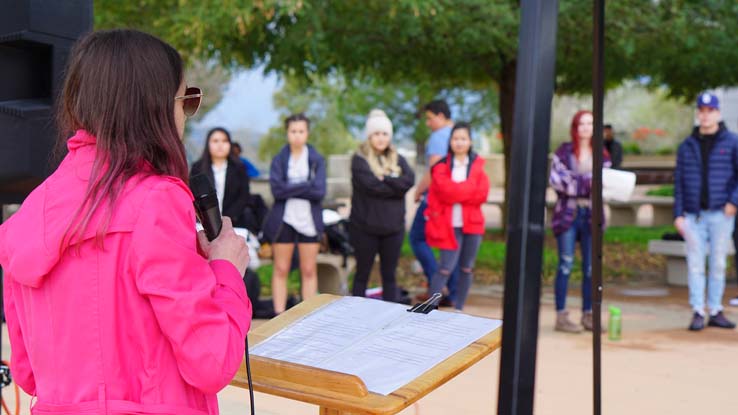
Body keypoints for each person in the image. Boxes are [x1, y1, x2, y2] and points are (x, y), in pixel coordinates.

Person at [0, 29, 251, 414]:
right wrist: (226, 270)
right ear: (153, 106)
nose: (186, 114)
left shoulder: (29, 213)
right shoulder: (158, 201)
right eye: (187, 100)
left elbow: (28, 373)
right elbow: (211, 360)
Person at [673, 92, 738, 331]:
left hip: (721, 214)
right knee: (696, 264)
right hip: (693, 215)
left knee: (718, 263)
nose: (705, 115)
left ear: (718, 113)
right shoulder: (687, 145)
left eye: (710, 111)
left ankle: (716, 309)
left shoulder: (732, 141)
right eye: (701, 111)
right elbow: (678, 181)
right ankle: (698, 310)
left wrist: (734, 201)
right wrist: (677, 213)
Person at [549, 110, 611, 333]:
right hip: (567, 215)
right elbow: (557, 180)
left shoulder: (602, 154)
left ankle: (589, 314)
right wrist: (587, 183)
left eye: (590, 123)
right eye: (582, 123)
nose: (586, 127)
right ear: (575, 127)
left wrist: (577, 183)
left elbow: (605, 181)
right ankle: (561, 316)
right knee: (565, 265)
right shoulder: (563, 152)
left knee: (590, 268)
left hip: (592, 216)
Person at [262, 113, 326, 314]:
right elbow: (277, 191)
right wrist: (306, 185)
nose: (297, 135)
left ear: (307, 133)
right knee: (281, 269)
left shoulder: (316, 159)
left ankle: (308, 315)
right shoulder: (280, 159)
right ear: (287, 133)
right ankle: (278, 314)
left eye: (301, 131)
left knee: (308, 270)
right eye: (293, 131)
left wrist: (292, 187)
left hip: (309, 220)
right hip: (284, 221)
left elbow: (319, 192)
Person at [349, 109, 415, 301]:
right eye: (376, 133)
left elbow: (409, 181)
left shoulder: (398, 158)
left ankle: (390, 321)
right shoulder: (359, 159)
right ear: (369, 135)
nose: (381, 138)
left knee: (390, 275)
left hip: (393, 228)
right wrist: (395, 184)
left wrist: (384, 178)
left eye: (385, 133)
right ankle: (354, 315)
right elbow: (371, 186)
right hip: (365, 228)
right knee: (363, 273)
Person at [424, 122, 489, 311]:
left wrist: (457, 192)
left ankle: (459, 308)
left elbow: (482, 194)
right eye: (455, 138)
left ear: (470, 141)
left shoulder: (477, 165)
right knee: (444, 268)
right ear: (450, 141)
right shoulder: (441, 166)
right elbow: (445, 192)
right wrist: (466, 190)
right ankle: (430, 307)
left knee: (467, 268)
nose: (459, 143)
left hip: (472, 224)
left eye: (463, 138)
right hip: (448, 224)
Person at [410, 100, 459, 306]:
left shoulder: (439, 137)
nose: (428, 123)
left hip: (435, 200)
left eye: (430, 119)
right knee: (451, 244)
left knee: (416, 238)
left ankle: (437, 286)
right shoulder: (460, 135)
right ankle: (452, 293)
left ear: (440, 116)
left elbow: (434, 171)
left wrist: (418, 190)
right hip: (456, 200)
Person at [190, 127, 252, 229]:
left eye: (224, 141)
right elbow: (193, 197)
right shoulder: (198, 168)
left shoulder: (239, 168)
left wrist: (228, 219)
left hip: (234, 223)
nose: (220, 145)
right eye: (215, 141)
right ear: (208, 144)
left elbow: (244, 196)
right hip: (203, 225)